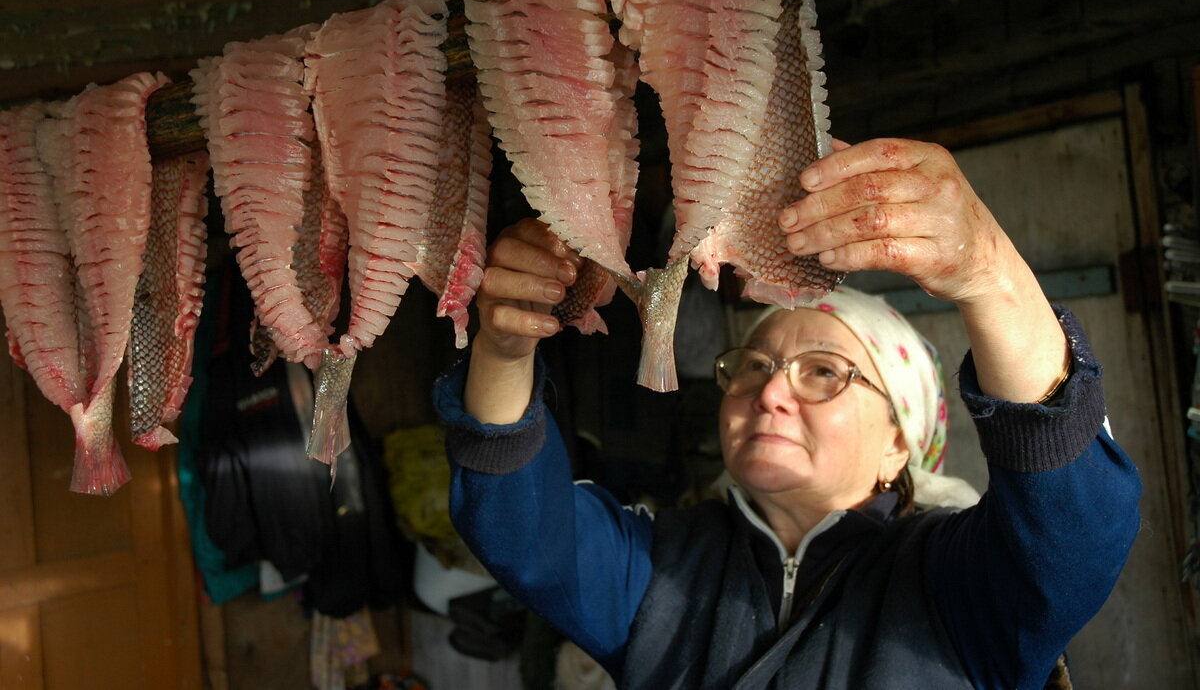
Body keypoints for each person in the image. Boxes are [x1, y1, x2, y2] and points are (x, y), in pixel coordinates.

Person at [432, 138, 1142, 689]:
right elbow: (522, 530)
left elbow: (1077, 528)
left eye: (824, 374)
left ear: (901, 439)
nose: (771, 394)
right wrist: (503, 346)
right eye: (755, 367)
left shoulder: (958, 584)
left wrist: (989, 274)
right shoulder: (661, 566)